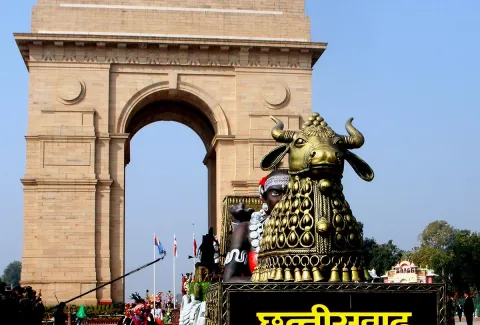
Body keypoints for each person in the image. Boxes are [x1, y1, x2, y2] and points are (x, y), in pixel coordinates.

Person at [223, 169, 289, 282]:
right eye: (275, 193)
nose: (283, 199)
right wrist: (271, 282)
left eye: (290, 193)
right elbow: (229, 279)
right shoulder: (245, 230)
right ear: (264, 197)